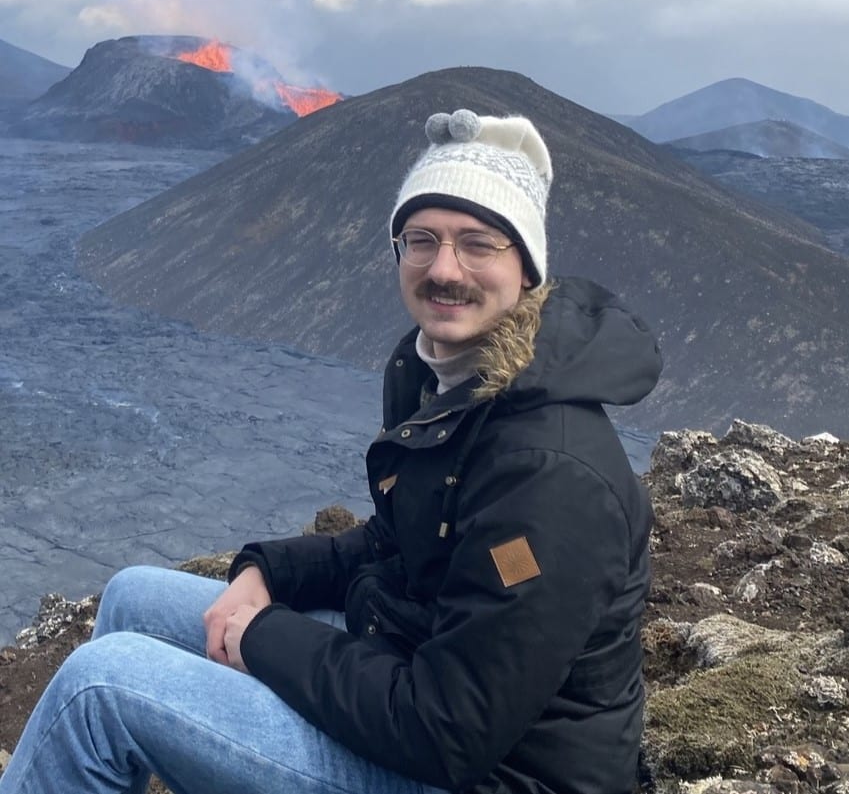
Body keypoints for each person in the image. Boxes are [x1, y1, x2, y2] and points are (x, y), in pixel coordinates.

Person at [0, 108, 662, 794]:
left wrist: (260, 636)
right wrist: (267, 572)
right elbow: (396, 544)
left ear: (525, 266)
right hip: (418, 676)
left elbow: (446, 729)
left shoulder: (549, 473)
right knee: (133, 594)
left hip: (484, 772)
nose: (443, 268)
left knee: (99, 688)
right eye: (421, 239)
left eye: (478, 243)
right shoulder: (443, 378)